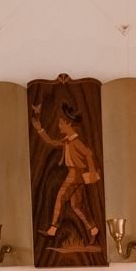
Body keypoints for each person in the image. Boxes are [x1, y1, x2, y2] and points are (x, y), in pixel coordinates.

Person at [31, 98, 102, 244]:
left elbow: (88, 153)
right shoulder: (66, 141)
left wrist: (92, 174)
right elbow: (51, 142)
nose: (59, 126)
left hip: (75, 173)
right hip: (74, 173)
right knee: (76, 205)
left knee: (61, 197)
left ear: (68, 123)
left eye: (61, 123)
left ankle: (52, 230)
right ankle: (94, 229)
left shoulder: (76, 142)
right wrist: (40, 129)